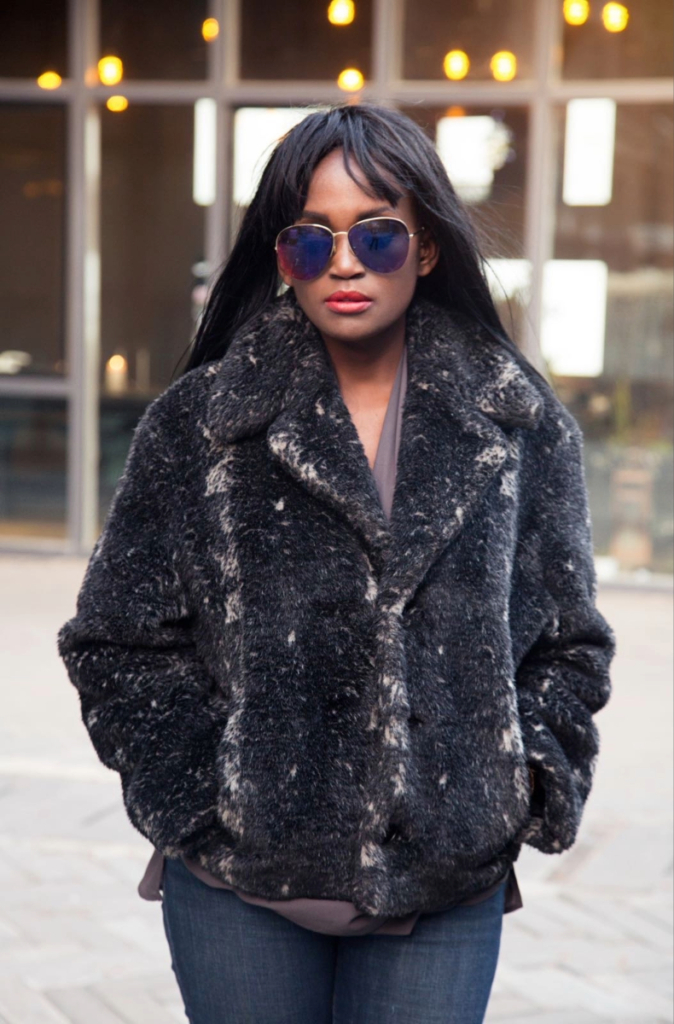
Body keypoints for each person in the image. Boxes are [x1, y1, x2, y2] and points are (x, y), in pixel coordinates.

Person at [56, 103, 616, 1024]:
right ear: (282, 257)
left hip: (444, 881)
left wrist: (522, 787)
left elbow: (567, 641)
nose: (344, 263)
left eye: (378, 236)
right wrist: (204, 797)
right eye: (310, 240)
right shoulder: (202, 422)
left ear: (428, 247)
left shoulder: (517, 424)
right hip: (242, 887)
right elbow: (116, 639)